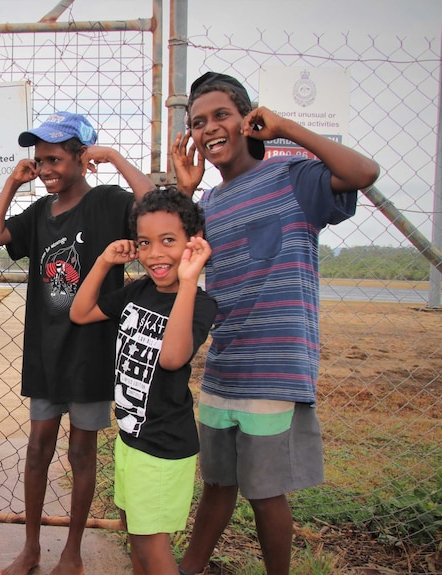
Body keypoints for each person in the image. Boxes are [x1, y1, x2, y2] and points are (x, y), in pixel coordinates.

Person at [170, 72, 379, 575]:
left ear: (247, 119)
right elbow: (176, 252)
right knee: (218, 484)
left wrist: (287, 129)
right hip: (224, 367)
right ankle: (187, 570)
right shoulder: (209, 205)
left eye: (221, 115)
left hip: (276, 369)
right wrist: (185, 191)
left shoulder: (294, 177)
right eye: (198, 123)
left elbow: (364, 172)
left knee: (265, 492)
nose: (209, 129)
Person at [0, 112, 155, 575]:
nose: (45, 168)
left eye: (54, 158)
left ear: (82, 157)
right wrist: (12, 185)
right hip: (46, 351)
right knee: (38, 447)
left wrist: (115, 157)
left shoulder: (107, 201)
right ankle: (31, 548)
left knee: (80, 451)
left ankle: (73, 552)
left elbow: (155, 208)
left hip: (92, 349)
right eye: (38, 161)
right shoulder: (39, 213)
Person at [69, 187, 218, 575]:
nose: (154, 254)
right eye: (145, 243)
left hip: (164, 446)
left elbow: (171, 358)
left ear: (193, 243)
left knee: (153, 550)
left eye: (168, 241)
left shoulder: (199, 302)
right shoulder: (140, 290)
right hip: (131, 439)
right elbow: (81, 312)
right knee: (136, 537)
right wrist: (102, 262)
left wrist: (188, 281)